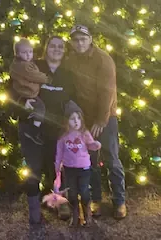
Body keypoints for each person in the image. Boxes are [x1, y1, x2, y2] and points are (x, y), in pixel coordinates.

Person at [65, 25, 126, 219]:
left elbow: (107, 92)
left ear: (90, 39)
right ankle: (96, 200)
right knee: (90, 161)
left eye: (83, 38)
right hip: (85, 119)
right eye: (75, 40)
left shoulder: (103, 59)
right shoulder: (71, 60)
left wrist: (102, 119)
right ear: (71, 43)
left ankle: (120, 201)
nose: (79, 43)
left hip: (105, 117)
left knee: (111, 159)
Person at [36, 36, 75, 220]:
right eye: (53, 46)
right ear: (46, 48)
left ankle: (62, 202)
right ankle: (44, 196)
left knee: (60, 165)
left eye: (60, 47)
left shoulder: (68, 73)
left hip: (60, 126)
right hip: (37, 124)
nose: (56, 49)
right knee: (41, 162)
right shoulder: (35, 67)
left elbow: (73, 100)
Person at [55, 100, 101, 226]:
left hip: (84, 168)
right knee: (72, 193)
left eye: (78, 118)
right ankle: (75, 215)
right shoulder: (63, 136)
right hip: (69, 169)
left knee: (84, 190)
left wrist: (95, 145)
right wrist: (57, 166)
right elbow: (59, 153)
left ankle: (87, 214)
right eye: (72, 118)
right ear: (66, 121)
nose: (76, 121)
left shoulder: (84, 133)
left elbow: (91, 145)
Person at [10, 38, 49, 144]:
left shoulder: (23, 64)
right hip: (28, 94)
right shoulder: (24, 66)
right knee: (40, 108)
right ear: (17, 54)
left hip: (28, 93)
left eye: (30, 52)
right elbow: (35, 76)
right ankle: (33, 130)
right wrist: (46, 78)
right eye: (24, 52)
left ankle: (32, 120)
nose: (28, 55)